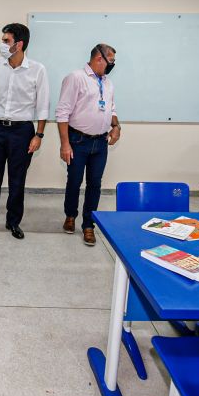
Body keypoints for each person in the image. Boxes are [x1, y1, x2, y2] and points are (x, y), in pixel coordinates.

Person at [0, 23, 49, 240]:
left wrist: (39, 135)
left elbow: (43, 105)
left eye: (6, 41)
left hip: (22, 131)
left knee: (17, 180)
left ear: (19, 44)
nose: (2, 45)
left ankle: (13, 222)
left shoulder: (37, 70)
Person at [56, 43, 122, 247]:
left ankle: (88, 225)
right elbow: (62, 112)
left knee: (95, 184)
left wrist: (117, 126)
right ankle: (70, 215)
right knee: (74, 182)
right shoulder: (76, 78)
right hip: (78, 140)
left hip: (100, 143)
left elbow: (111, 108)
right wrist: (65, 144)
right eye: (111, 59)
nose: (113, 64)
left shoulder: (108, 83)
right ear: (99, 58)